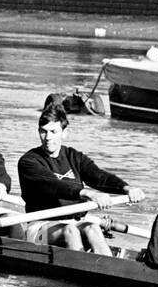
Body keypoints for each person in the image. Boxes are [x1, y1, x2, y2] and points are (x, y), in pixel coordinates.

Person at [17, 103, 145, 252]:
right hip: (40, 225)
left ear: (64, 133)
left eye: (53, 131)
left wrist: (127, 188)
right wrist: (86, 193)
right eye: (43, 132)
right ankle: (84, 271)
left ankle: (108, 268)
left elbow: (98, 176)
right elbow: (53, 185)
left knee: (93, 228)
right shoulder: (29, 162)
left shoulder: (74, 157)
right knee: (70, 231)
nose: (48, 138)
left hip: (74, 222)